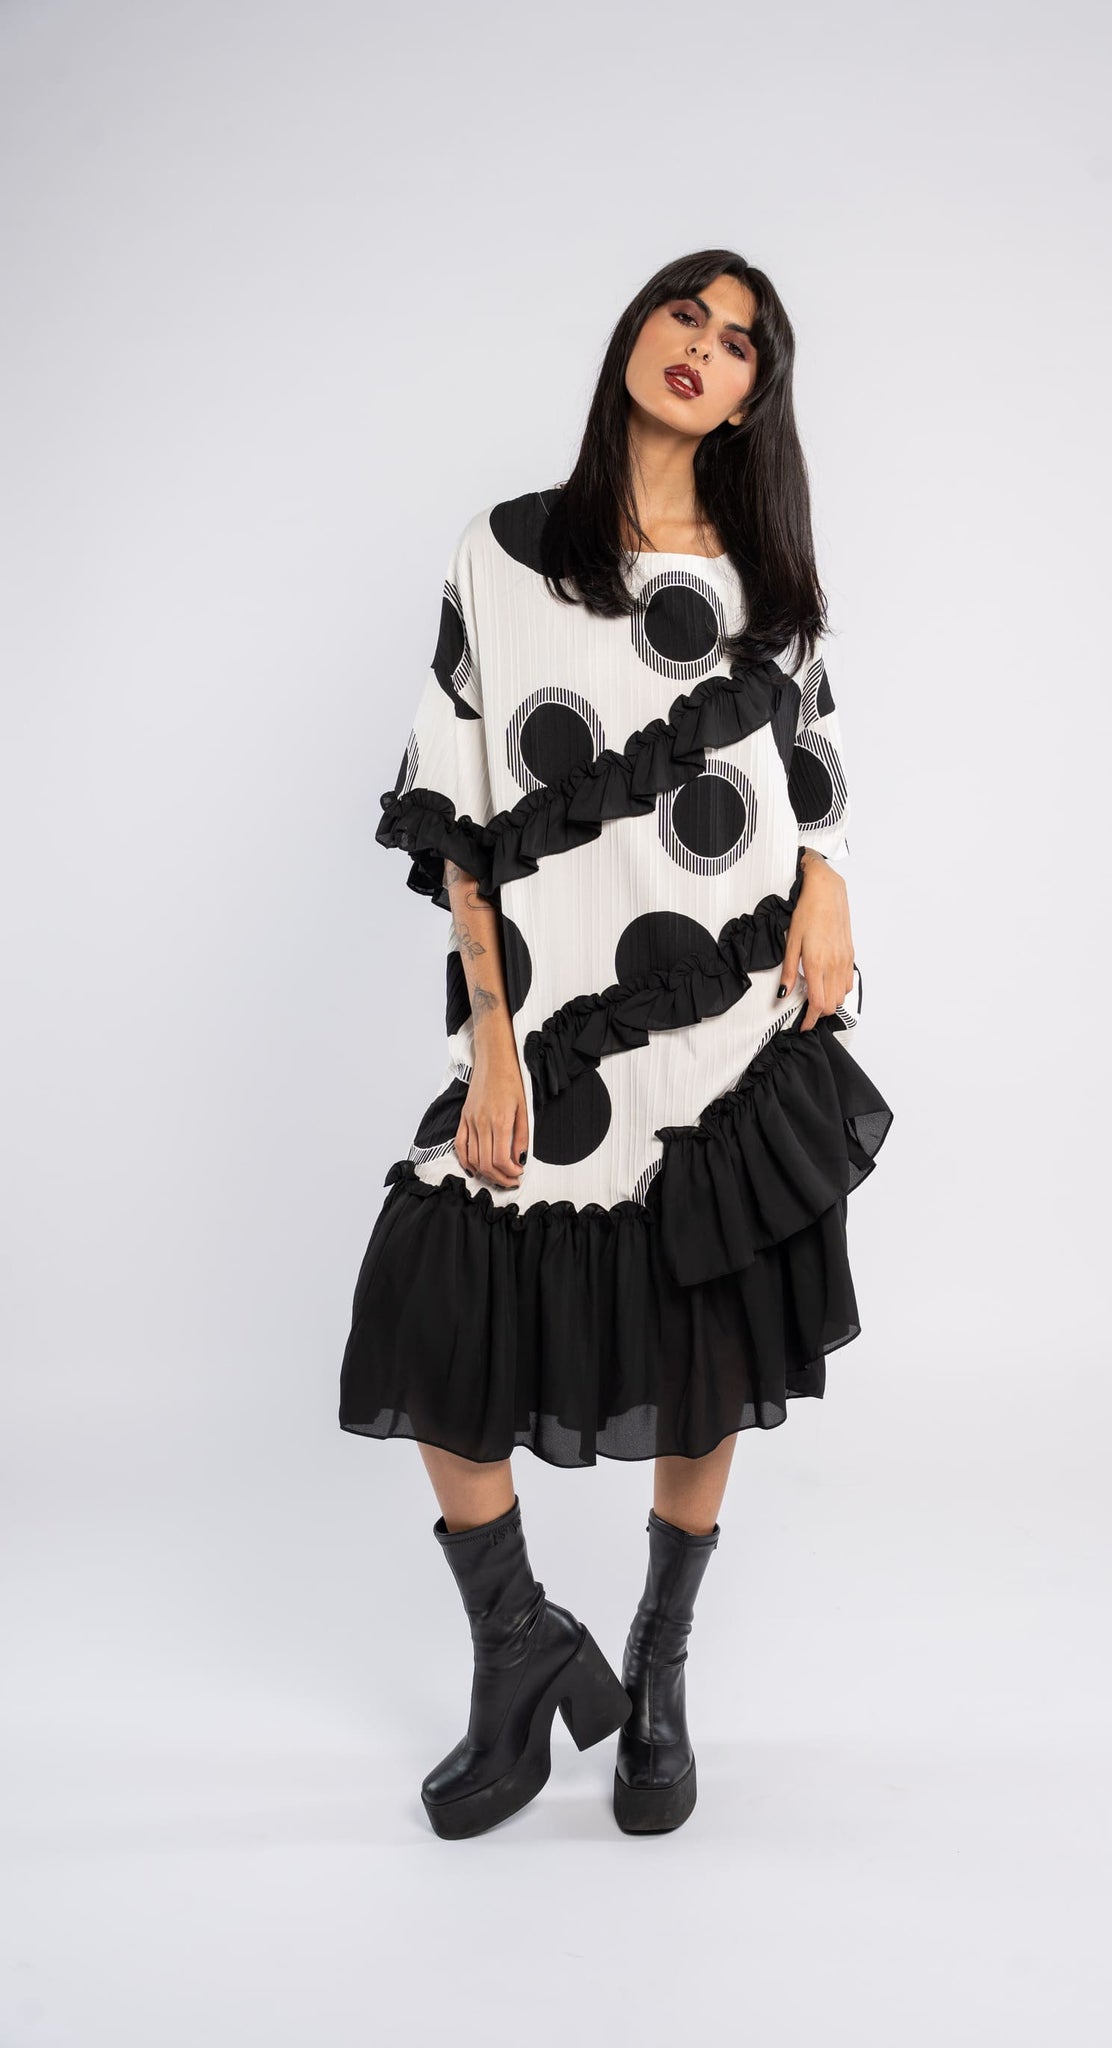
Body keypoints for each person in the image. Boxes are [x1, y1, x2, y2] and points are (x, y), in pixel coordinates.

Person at [338, 249, 895, 1840]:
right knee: (433, 1300)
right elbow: (456, 814)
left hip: (727, 993)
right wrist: (493, 1040)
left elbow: (813, 764)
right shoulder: (504, 552)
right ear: (637, 331)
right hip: (552, 1007)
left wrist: (832, 887)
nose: (703, 349)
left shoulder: (765, 578)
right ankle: (518, 1643)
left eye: (741, 344)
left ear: (751, 398)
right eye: (685, 315)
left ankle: (657, 1665)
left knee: (705, 1338)